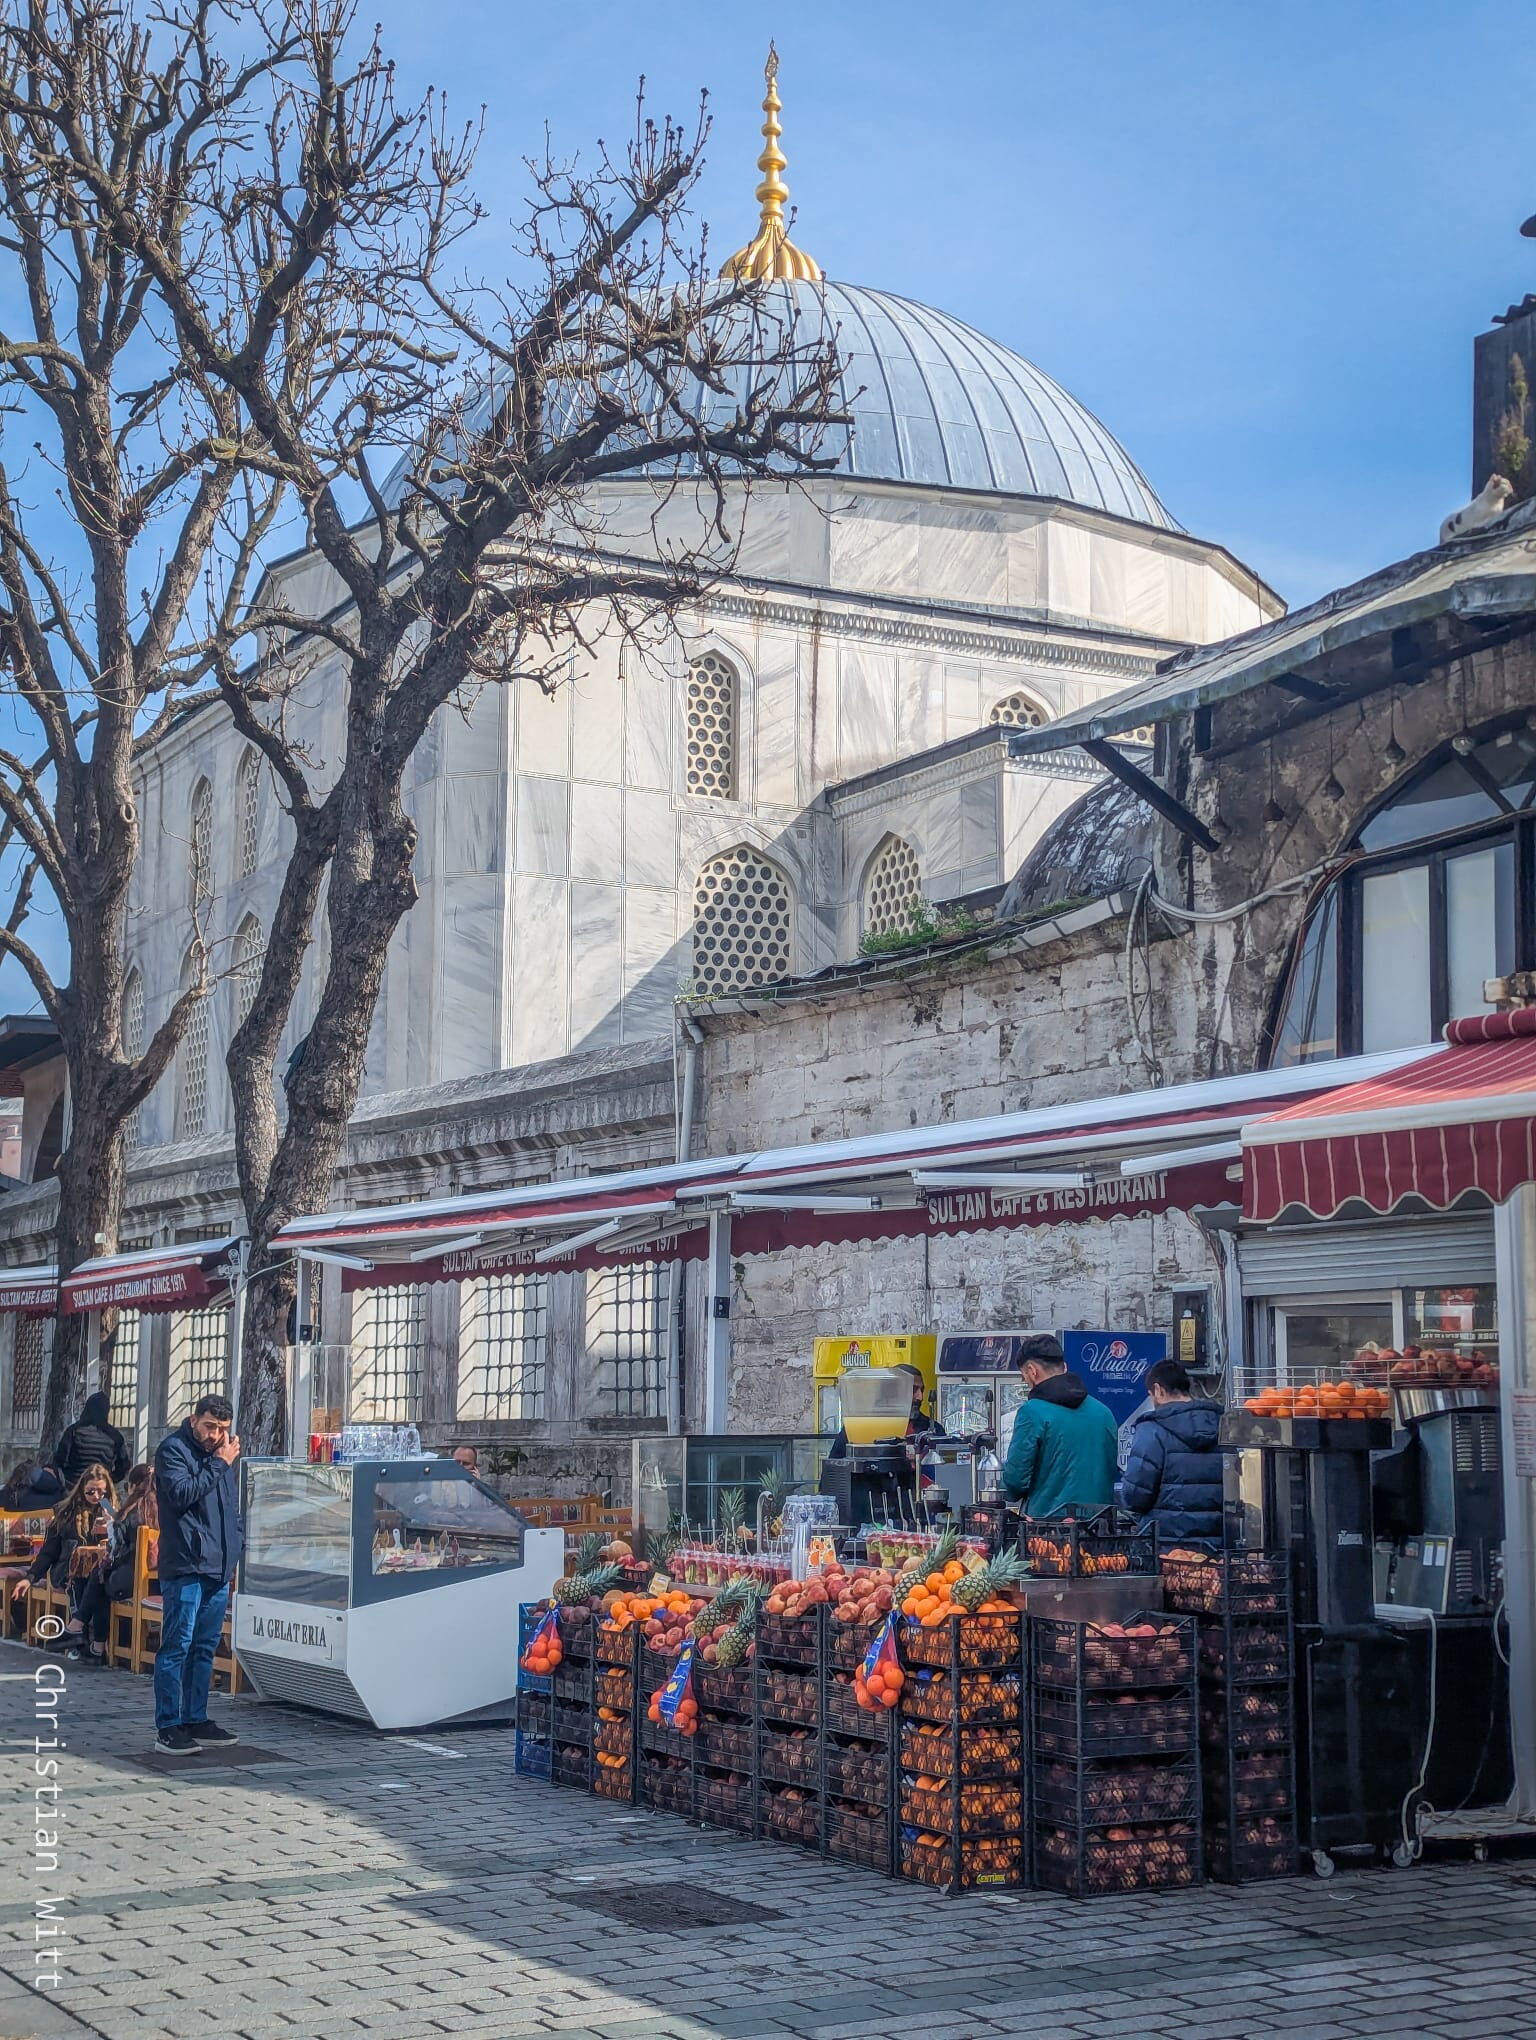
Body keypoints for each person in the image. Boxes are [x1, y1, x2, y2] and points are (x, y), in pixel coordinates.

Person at [152, 1394, 242, 1756]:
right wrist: (220, 1463)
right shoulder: (173, 1450)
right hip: (185, 1565)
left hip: (218, 1567)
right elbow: (180, 1494)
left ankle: (195, 1718)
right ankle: (168, 1725)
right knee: (177, 1646)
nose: (215, 1435)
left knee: (204, 1647)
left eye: (222, 1429)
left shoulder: (222, 1457)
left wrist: (236, 1545)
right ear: (194, 1420)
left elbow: (230, 1508)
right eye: (209, 1427)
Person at [1001, 1334, 1119, 1519]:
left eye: (1024, 1377)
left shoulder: (1032, 1412)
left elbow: (1016, 1480)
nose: (1026, 1382)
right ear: (1064, 1367)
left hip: (1046, 1526)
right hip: (1099, 1525)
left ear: (1032, 1371)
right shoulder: (1104, 1413)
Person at [1116, 1359, 1225, 1545]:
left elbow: (1135, 1496)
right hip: (1216, 1545)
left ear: (1158, 1390)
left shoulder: (1152, 1431)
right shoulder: (1222, 1424)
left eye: (1151, 1395)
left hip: (1166, 1545)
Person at [9, 1464, 117, 1642]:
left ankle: (89, 1640)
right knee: (81, 1582)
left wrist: (113, 1525)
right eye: (91, 1491)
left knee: (98, 1582)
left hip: (99, 1571)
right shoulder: (66, 1512)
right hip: (67, 1570)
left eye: (101, 1492)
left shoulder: (111, 1512)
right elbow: (49, 1551)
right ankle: (85, 1640)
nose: (96, 1496)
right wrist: (30, 1577)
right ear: (82, 1489)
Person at [69, 1463, 159, 1666]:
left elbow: (116, 1547)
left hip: (133, 1583)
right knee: (100, 1575)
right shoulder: (166, 1509)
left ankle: (86, 1633)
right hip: (160, 1583)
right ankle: (92, 1641)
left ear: (133, 1486)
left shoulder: (132, 1511)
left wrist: (111, 1524)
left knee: (100, 1578)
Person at [823, 1363, 946, 1461]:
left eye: (921, 1390)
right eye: (913, 1389)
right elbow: (833, 1471)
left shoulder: (931, 1430)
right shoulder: (859, 1429)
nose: (920, 1397)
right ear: (891, 1392)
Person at [49, 1390, 131, 1487]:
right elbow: (124, 1465)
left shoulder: (73, 1431)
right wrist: (109, 1480)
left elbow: (59, 1460)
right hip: (100, 1488)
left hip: (73, 1487)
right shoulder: (115, 1436)